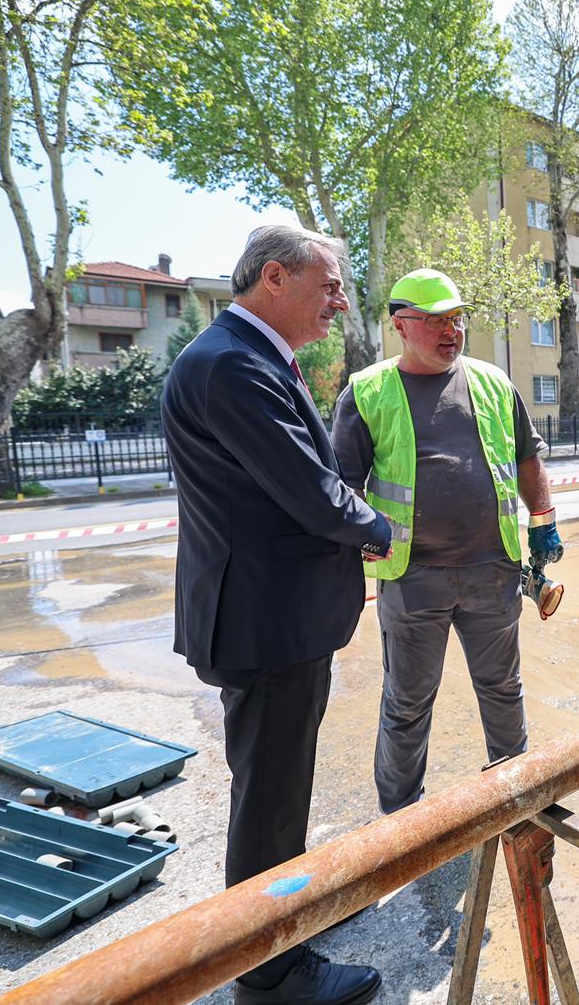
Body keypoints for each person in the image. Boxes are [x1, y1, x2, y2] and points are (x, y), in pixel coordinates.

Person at [162, 225, 390, 1005]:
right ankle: (268, 973)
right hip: (264, 620)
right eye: (329, 286)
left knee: (278, 786)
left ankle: (282, 920)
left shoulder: (243, 355)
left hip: (270, 612)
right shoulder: (232, 363)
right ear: (274, 278)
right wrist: (381, 529)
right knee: (269, 798)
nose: (340, 302)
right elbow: (309, 488)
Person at [331, 269, 561, 816]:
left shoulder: (493, 383)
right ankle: (401, 820)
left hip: (494, 573)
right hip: (412, 578)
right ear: (400, 326)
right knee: (407, 704)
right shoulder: (368, 392)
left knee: (503, 690)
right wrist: (360, 544)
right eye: (435, 321)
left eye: (456, 319)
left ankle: (515, 801)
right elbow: (343, 486)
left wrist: (543, 519)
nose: (450, 331)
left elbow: (526, 456)